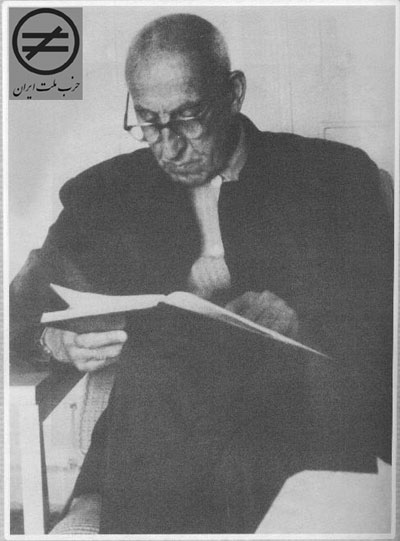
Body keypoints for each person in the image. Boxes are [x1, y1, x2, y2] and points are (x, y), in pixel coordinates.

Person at [10, 13, 393, 534]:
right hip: (156, 450)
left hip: (294, 433)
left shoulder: (332, 177)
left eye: (189, 118)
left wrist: (306, 325)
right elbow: (19, 310)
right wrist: (55, 342)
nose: (168, 146)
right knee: (162, 371)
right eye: (149, 121)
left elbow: (382, 326)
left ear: (233, 93)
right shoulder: (106, 195)